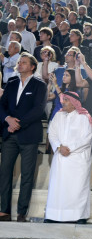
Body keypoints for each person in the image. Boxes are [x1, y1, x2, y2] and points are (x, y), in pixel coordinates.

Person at [0, 53, 47, 222]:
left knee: (27, 176)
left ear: (32, 66)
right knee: (4, 173)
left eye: (24, 62)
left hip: (28, 135)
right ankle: (3, 211)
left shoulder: (39, 85)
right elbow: (1, 105)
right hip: (9, 134)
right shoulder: (11, 83)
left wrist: (18, 123)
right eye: (19, 62)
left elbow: (38, 109)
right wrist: (7, 119)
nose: (20, 64)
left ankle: (21, 213)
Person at [45, 91, 92, 224]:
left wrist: (70, 148)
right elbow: (52, 133)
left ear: (74, 103)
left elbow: (87, 138)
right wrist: (59, 146)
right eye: (63, 99)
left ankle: (79, 216)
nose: (63, 102)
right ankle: (54, 215)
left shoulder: (84, 117)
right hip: (60, 157)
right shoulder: (58, 116)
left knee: (77, 189)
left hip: (78, 159)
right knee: (58, 188)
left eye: (66, 100)